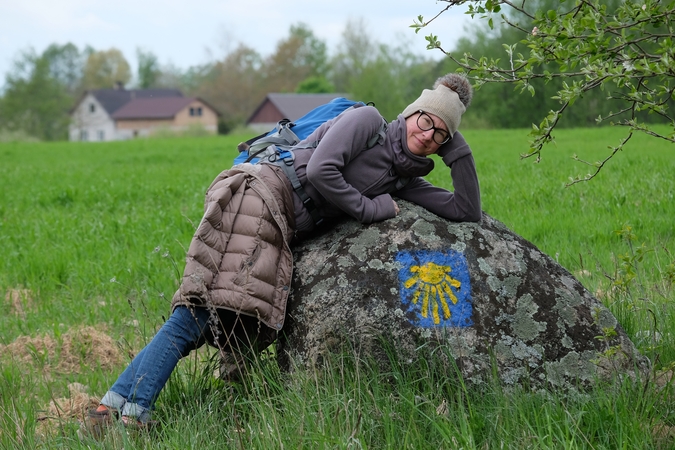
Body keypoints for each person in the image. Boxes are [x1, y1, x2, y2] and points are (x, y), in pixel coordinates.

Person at [88, 73, 481, 429]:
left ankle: (111, 409)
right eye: (426, 120)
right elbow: (321, 168)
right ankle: (132, 413)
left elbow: (466, 210)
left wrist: (457, 150)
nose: (429, 134)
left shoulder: (403, 179)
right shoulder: (368, 122)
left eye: (441, 134)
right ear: (412, 112)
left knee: (210, 318)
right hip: (261, 195)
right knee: (201, 311)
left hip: (280, 221)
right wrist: (369, 208)